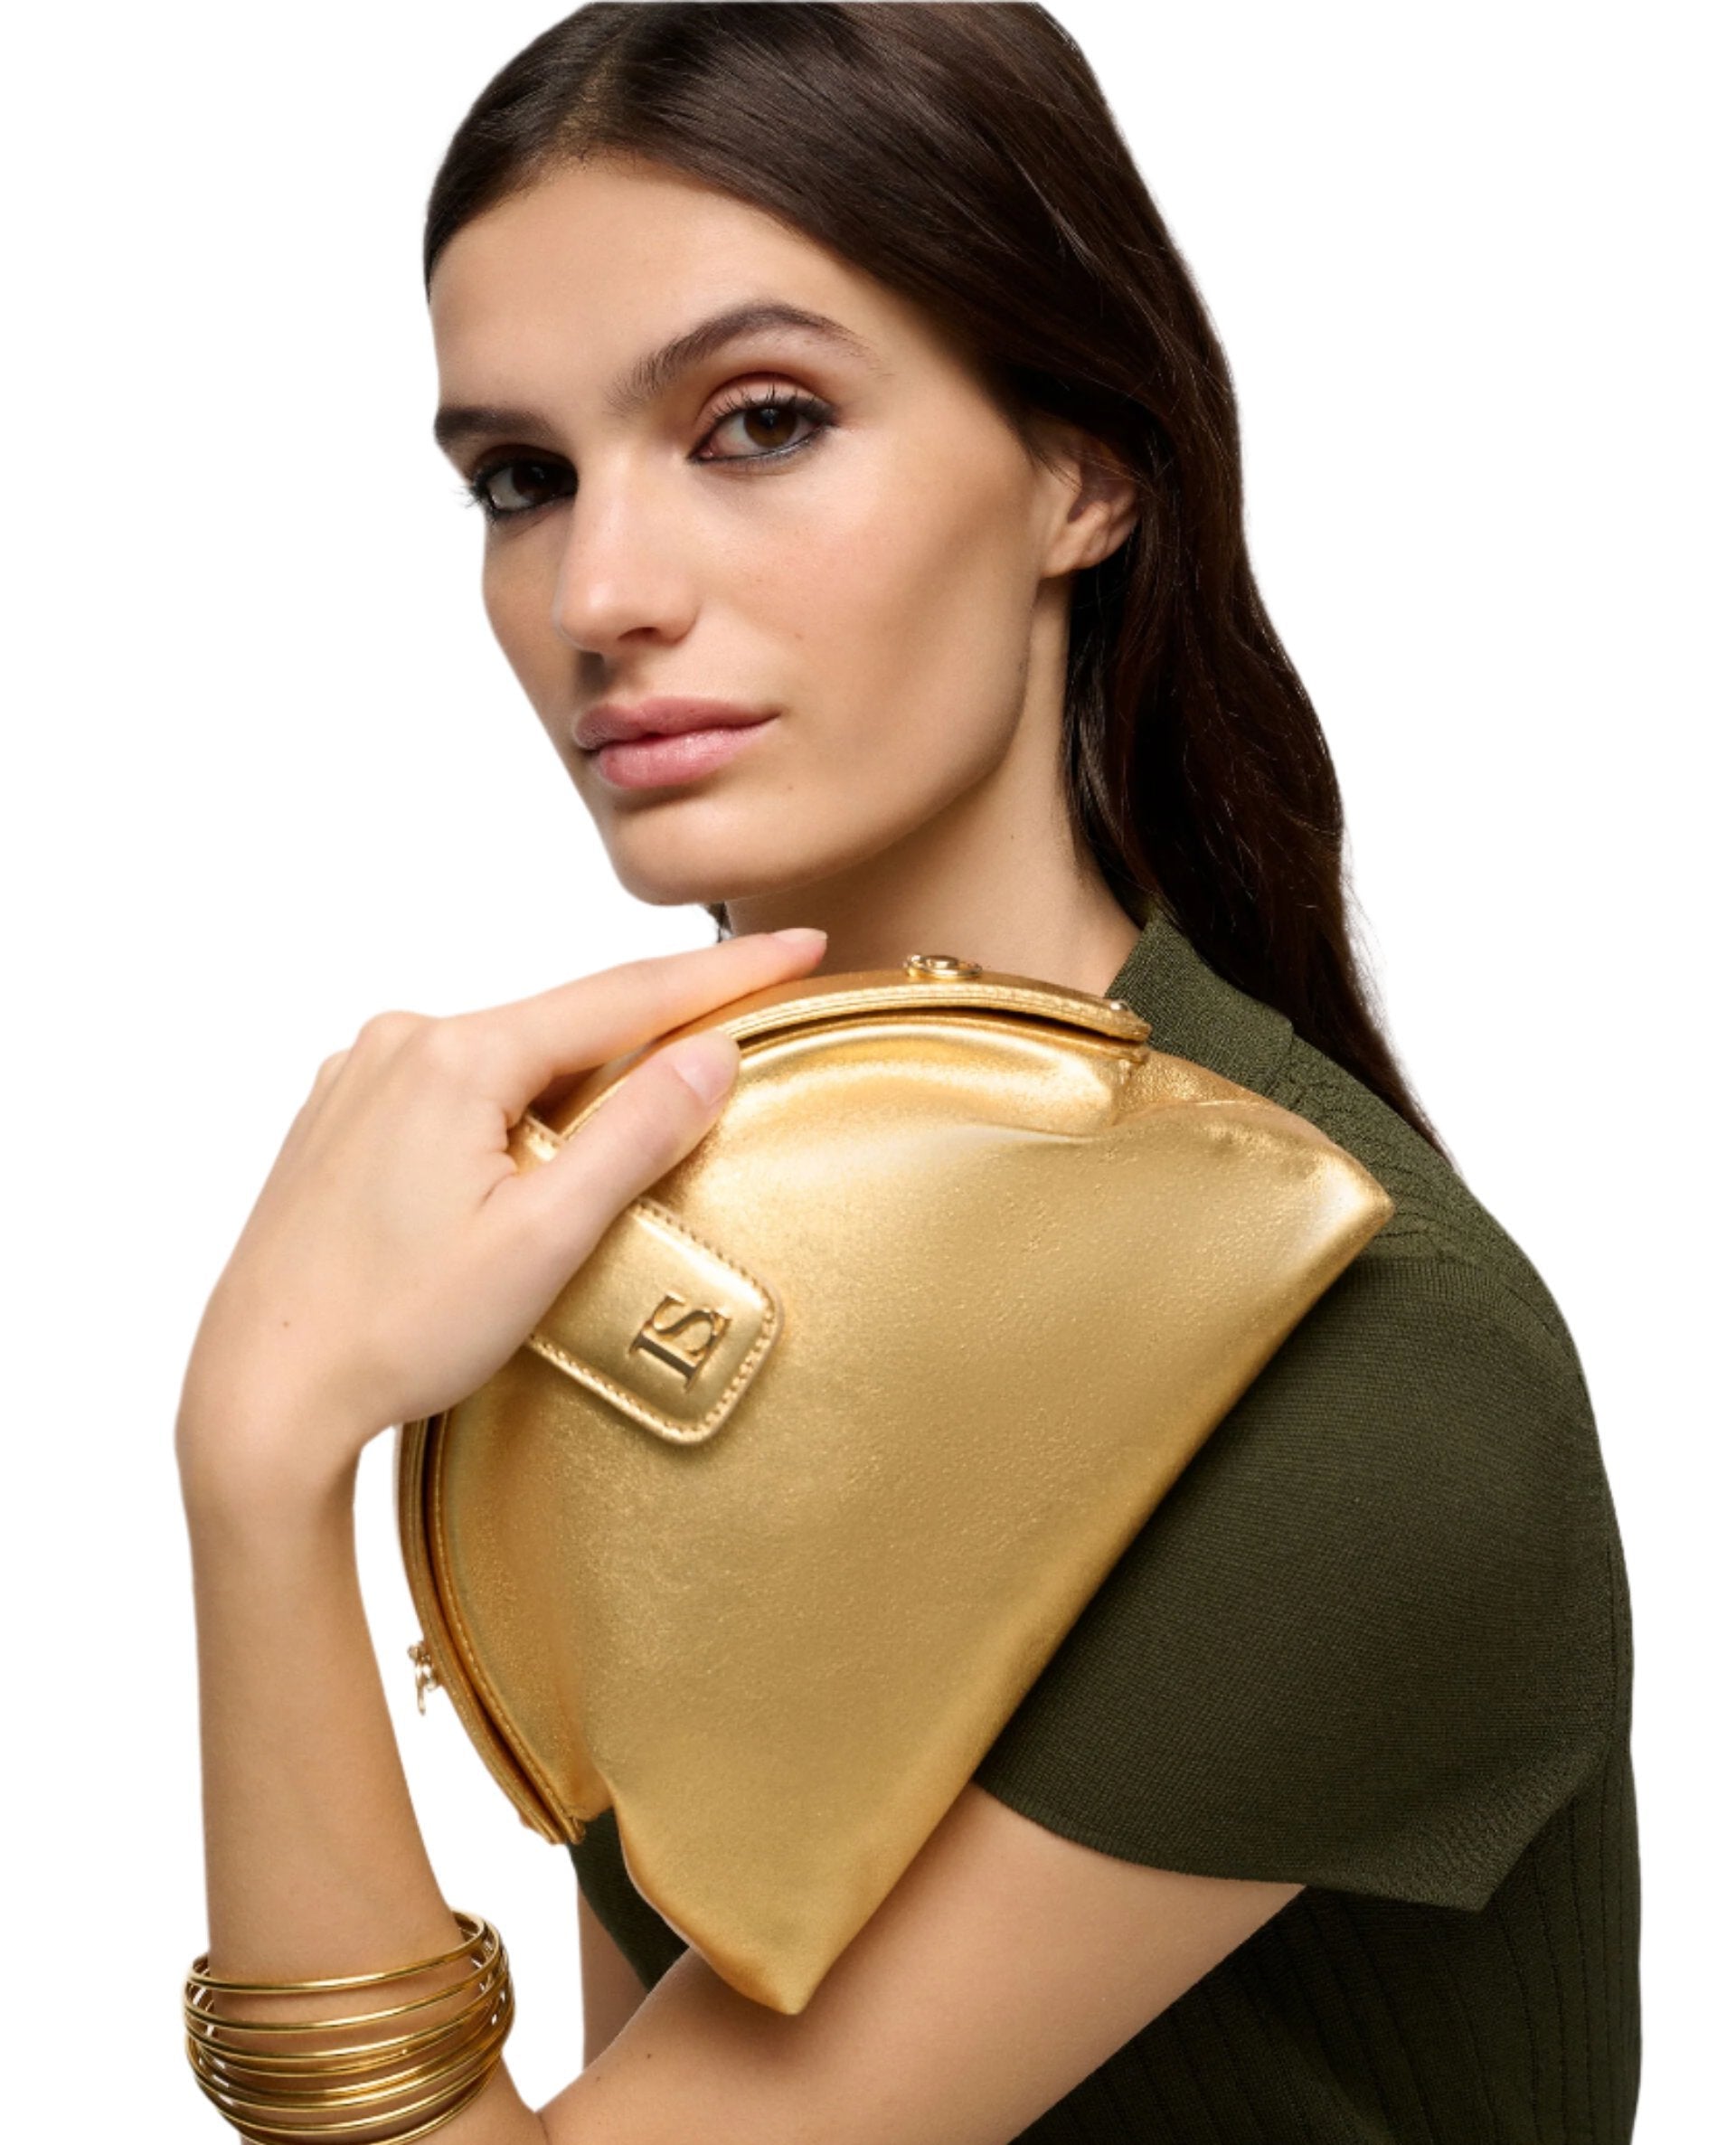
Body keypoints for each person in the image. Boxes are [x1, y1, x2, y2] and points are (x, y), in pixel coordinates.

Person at [175, 5, 1638, 2140]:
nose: (600, 591)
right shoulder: (669, 1244)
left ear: (1082, 470)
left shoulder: (1354, 1361)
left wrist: (259, 1461)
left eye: (759, 423)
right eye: (522, 479)